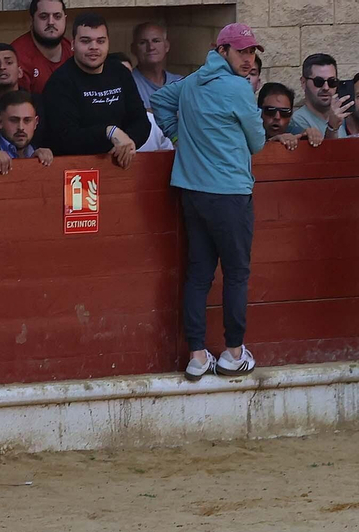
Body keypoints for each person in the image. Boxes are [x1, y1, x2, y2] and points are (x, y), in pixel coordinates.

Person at [150, 23, 266, 380]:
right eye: (241, 52)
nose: (248, 60)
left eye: (251, 53)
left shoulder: (194, 80)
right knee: (236, 273)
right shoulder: (237, 88)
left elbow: (159, 100)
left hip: (192, 191)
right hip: (229, 193)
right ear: (222, 51)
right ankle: (233, 352)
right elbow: (258, 141)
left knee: (199, 273)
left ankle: (198, 355)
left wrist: (178, 135)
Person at [43, 15, 149, 165]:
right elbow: (65, 137)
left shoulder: (120, 72)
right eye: (86, 41)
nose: (94, 47)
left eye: (100, 41)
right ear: (73, 44)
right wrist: (108, 132)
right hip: (74, 169)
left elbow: (141, 120)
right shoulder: (60, 82)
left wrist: (129, 143)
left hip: (120, 162)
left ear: (108, 43)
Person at [0, 89, 52, 173]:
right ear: (0, 122)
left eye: (27, 120)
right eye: (14, 120)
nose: (21, 127)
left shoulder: (40, 149)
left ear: (36, 123)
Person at [11, 0, 71, 96]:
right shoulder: (16, 56)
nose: (51, 22)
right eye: (43, 17)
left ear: (65, 19)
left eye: (57, 16)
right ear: (32, 19)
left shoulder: (74, 50)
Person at [289, 52, 349, 136]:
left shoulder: (341, 118)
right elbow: (326, 149)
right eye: (318, 82)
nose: (326, 87)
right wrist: (332, 128)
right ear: (303, 82)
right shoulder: (296, 122)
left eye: (332, 81)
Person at [129, 21, 181, 107]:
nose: (151, 47)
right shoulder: (128, 83)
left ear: (166, 46)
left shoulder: (180, 83)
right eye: (143, 42)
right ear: (133, 49)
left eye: (156, 41)